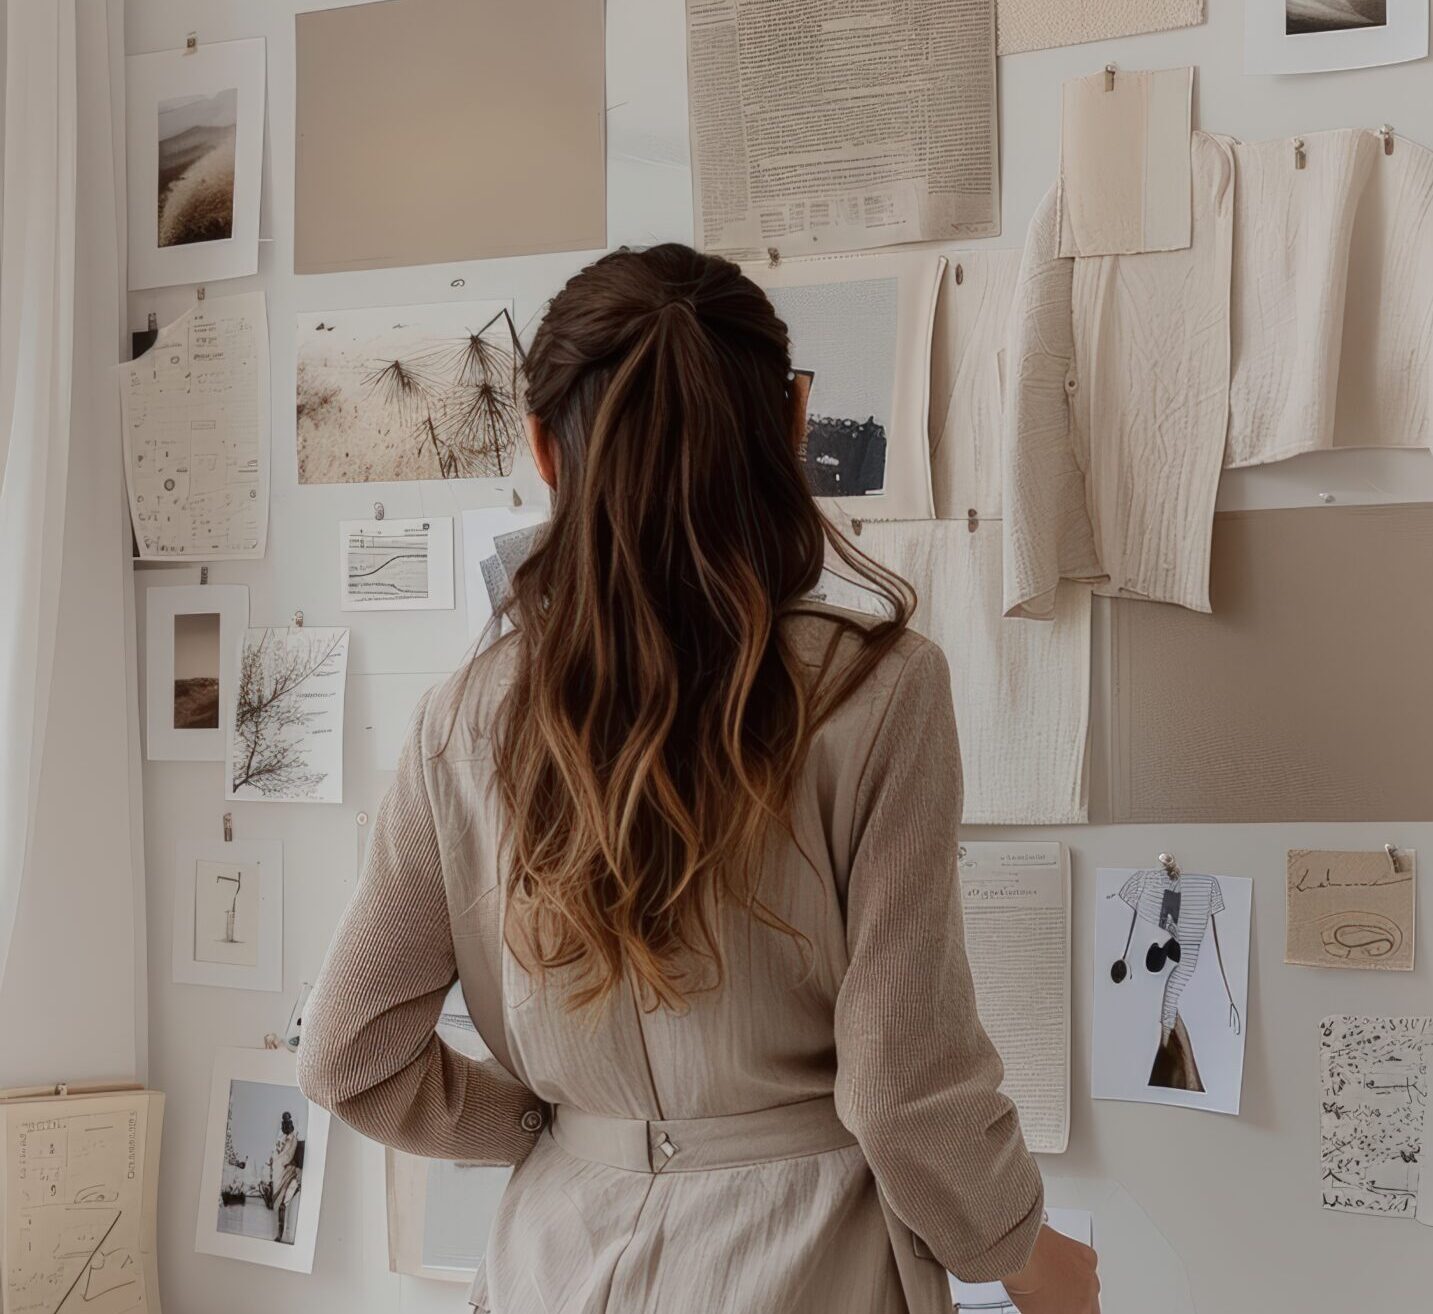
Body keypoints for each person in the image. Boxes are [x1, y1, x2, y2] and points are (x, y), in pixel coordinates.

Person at [298, 244, 1100, 1314]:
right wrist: (1026, 1253)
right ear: (789, 425)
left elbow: (349, 1054)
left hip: (554, 1266)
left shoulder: (463, 719)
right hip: (809, 1266)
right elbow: (901, 1092)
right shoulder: (878, 693)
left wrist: (560, 1129)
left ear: (542, 448)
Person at [271, 1111, 301, 1244]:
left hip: (290, 1173)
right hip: (282, 1173)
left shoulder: (292, 1139)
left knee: (283, 1204)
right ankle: (281, 1235)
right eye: (284, 1124)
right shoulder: (283, 1139)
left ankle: (282, 1235)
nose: (286, 1126)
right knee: (280, 1205)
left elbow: (287, 1157)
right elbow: (278, 1156)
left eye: (288, 1124)